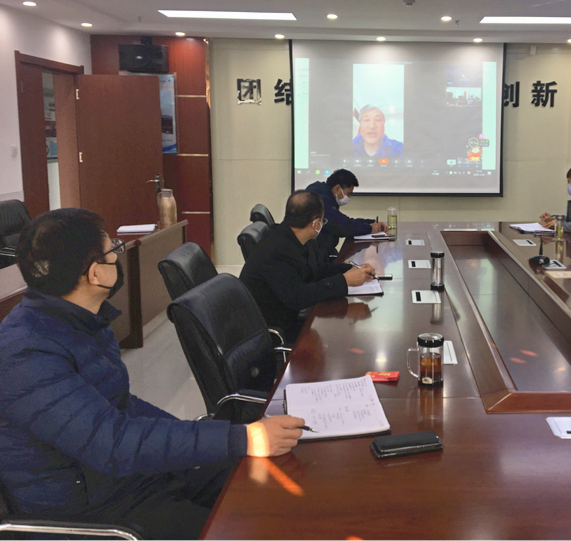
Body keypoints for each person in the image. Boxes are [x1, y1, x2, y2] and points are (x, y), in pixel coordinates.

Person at [0, 208, 304, 540]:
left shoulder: (82, 319)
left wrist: (226, 436)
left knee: (264, 476)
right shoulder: (26, 353)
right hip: (93, 511)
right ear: (95, 274)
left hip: (127, 476)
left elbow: (123, 405)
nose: (118, 257)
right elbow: (114, 444)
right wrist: (241, 438)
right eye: (113, 251)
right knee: (245, 529)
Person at [240, 189, 375, 342]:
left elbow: (316, 270)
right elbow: (298, 297)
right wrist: (345, 281)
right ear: (316, 223)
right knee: (344, 338)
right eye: (323, 221)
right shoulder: (276, 250)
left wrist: (351, 269)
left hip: (289, 314)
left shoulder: (296, 238)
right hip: (276, 329)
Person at [307, 168, 389, 256]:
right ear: (337, 188)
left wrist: (372, 223)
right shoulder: (320, 199)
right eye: (349, 193)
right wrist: (369, 228)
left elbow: (344, 220)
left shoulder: (324, 194)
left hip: (323, 251)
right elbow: (341, 226)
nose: (349, 197)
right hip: (315, 255)